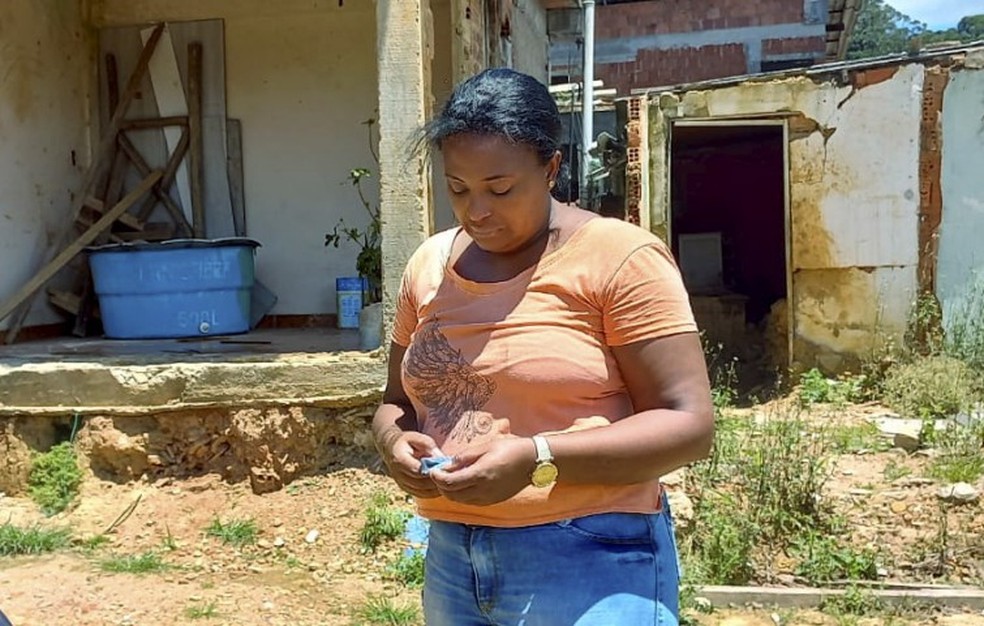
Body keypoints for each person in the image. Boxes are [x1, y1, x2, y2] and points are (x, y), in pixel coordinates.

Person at [372, 67, 714, 626]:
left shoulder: (620, 259)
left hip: (591, 555)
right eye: (458, 188)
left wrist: (539, 459)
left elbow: (689, 424)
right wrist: (393, 442)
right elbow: (396, 400)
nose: (475, 211)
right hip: (455, 560)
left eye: (500, 189)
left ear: (552, 168)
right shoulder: (428, 266)